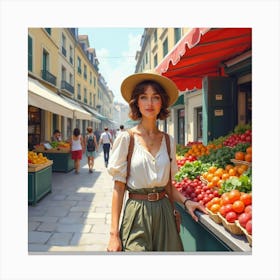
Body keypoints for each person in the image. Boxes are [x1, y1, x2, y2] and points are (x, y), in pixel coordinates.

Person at [107, 70, 207, 252]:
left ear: (162, 103)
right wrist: (114, 234)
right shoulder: (126, 139)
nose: (150, 103)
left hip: (164, 213)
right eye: (144, 97)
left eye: (155, 97)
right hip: (136, 212)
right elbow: (119, 188)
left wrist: (186, 202)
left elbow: (167, 185)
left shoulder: (169, 141)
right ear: (137, 102)